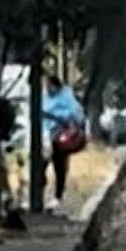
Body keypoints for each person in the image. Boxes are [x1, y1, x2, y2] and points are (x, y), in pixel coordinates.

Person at [41, 73, 87, 208]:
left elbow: (76, 114)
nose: (47, 89)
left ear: (56, 85)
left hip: (60, 136)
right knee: (40, 165)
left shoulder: (66, 96)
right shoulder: (44, 98)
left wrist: (54, 115)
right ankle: (40, 192)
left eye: (49, 86)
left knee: (59, 166)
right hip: (45, 135)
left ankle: (58, 196)